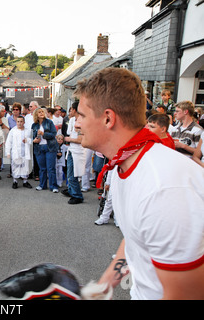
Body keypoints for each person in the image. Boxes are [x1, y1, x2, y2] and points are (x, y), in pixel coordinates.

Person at [74, 67, 204, 300]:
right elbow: (136, 236)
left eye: (81, 115)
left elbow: (185, 296)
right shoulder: (126, 162)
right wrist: (104, 287)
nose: (76, 124)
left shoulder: (163, 191)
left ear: (107, 118)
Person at [62, 102, 85, 204]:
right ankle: (72, 190)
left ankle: (77, 195)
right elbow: (69, 132)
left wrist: (68, 139)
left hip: (78, 151)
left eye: (71, 109)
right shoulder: (71, 120)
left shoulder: (82, 122)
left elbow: (80, 139)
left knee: (73, 174)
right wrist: (69, 138)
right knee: (69, 172)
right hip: (71, 150)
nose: (69, 111)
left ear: (75, 110)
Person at [32, 107, 59, 192]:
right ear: (36, 114)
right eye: (39, 112)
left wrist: (43, 134)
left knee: (51, 168)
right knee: (42, 168)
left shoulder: (49, 122)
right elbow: (31, 136)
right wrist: (34, 140)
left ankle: (53, 186)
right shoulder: (34, 125)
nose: (41, 113)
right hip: (39, 148)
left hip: (50, 147)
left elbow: (53, 134)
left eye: (42, 112)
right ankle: (42, 185)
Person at [5, 116, 32, 189]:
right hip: (16, 152)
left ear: (24, 122)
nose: (19, 123)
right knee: (15, 167)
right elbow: (8, 142)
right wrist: (8, 152)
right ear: (16, 122)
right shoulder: (13, 131)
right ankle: (15, 181)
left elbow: (31, 141)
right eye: (18, 121)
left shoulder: (27, 131)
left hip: (25, 152)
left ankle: (25, 181)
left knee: (25, 167)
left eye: (21, 121)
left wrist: (28, 140)